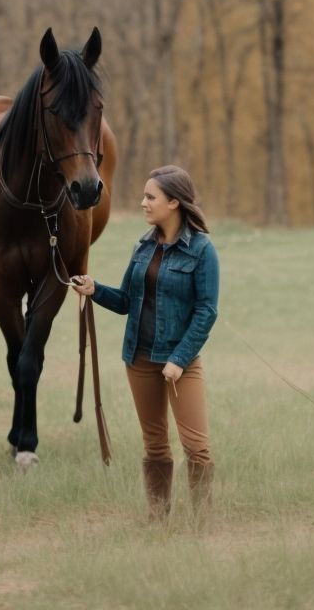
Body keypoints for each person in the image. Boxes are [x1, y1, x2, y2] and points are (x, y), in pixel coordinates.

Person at [70, 165, 219, 520]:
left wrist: (180, 359)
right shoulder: (143, 244)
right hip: (138, 358)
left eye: (150, 197)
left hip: (180, 364)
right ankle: (157, 515)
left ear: (174, 202)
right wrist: (95, 290)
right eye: (144, 196)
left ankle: (202, 520)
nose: (143, 203)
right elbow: (125, 300)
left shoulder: (201, 249)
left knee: (196, 447)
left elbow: (207, 312)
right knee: (154, 445)